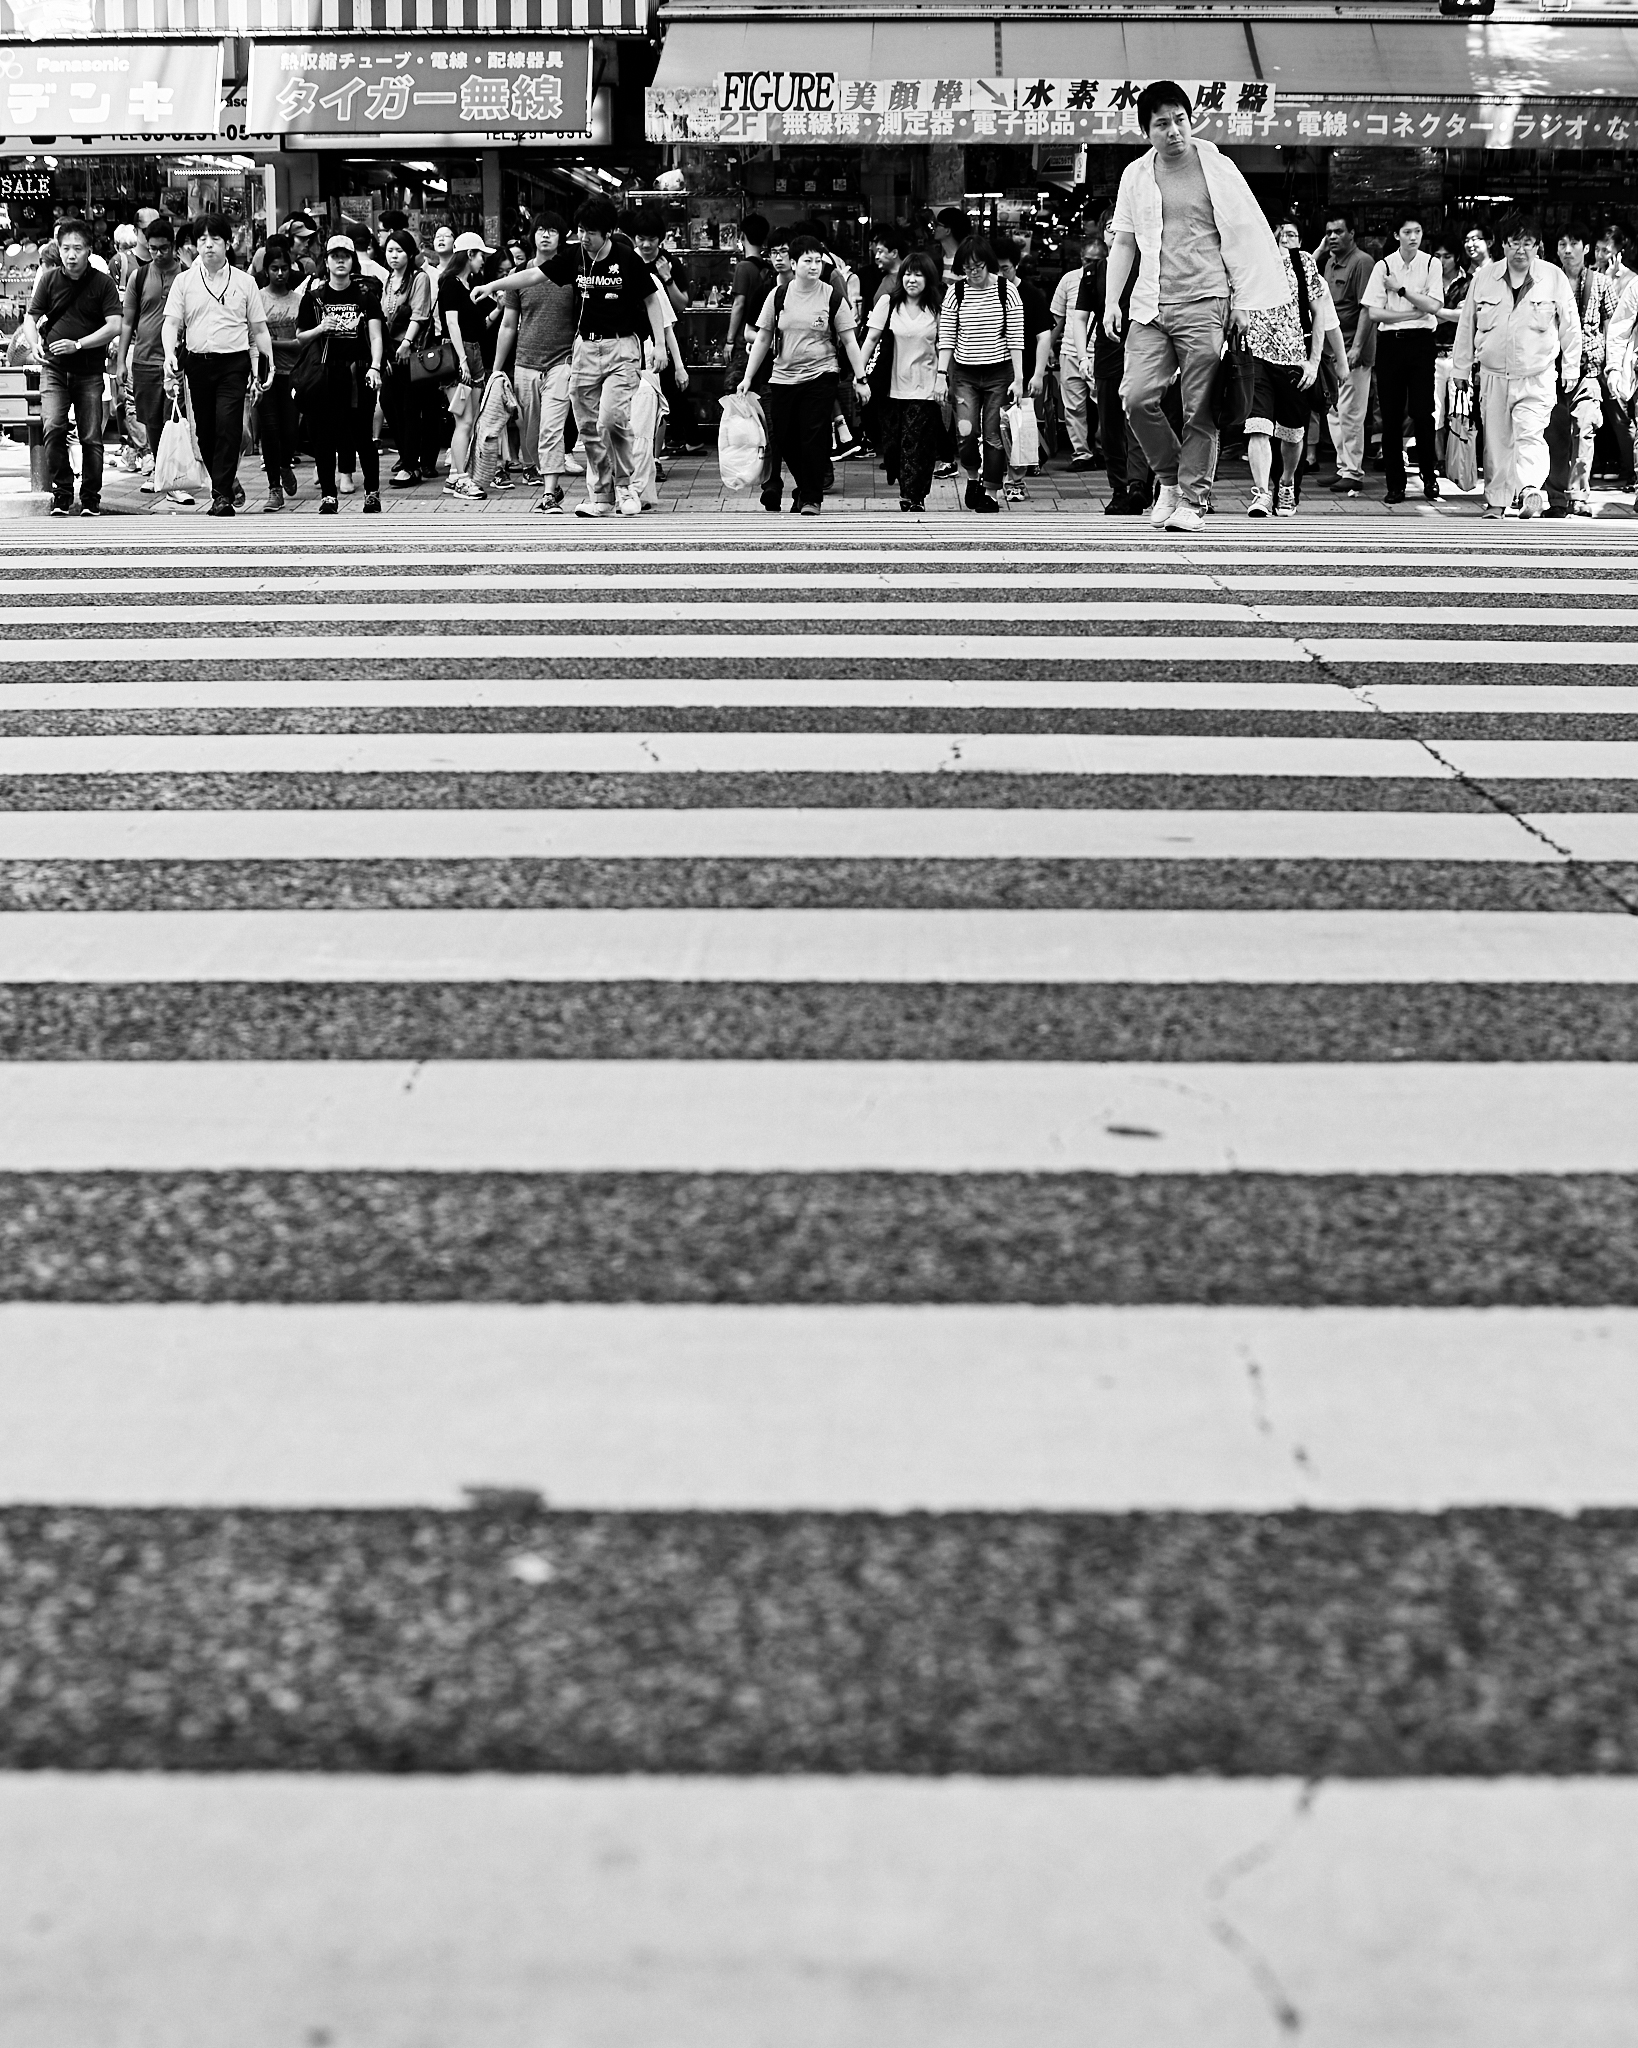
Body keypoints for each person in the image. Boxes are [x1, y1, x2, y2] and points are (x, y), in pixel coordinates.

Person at [1104, 80, 1289, 533]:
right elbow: (1124, 241)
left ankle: (1193, 498)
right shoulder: (1136, 175)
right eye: (1161, 124)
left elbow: (1243, 236)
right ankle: (1169, 480)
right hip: (1150, 304)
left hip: (1206, 300)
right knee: (1136, 397)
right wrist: (1112, 299)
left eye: (1180, 120)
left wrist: (1242, 302)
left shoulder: (1218, 168)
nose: (1174, 131)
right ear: (1147, 130)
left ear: (1192, 119)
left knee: (1198, 407)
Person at [1452, 209, 1581, 522]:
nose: (1521, 250)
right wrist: (1460, 368)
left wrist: (1572, 368)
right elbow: (1467, 325)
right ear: (1503, 245)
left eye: (1528, 243)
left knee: (1530, 435)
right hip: (1494, 375)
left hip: (1537, 376)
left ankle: (1528, 491)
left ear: (1537, 246)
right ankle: (1497, 504)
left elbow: (1570, 326)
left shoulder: (1553, 277)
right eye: (1514, 243)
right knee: (1496, 445)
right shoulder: (1484, 278)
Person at [738, 232, 871, 516]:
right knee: (784, 438)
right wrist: (748, 378)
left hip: (821, 375)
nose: (813, 266)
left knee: (813, 435)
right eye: (807, 260)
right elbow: (762, 338)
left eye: (818, 261)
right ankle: (805, 485)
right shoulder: (779, 295)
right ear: (794, 263)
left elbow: (849, 340)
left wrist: (860, 378)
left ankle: (812, 497)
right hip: (783, 377)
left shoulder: (832, 296)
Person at [161, 213, 272, 517]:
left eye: (215, 240)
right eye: (201, 240)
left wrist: (267, 365)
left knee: (228, 426)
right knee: (206, 433)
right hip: (198, 363)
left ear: (227, 243)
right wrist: (169, 353)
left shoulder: (245, 282)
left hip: (233, 363)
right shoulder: (184, 282)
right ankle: (227, 480)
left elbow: (259, 329)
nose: (208, 246)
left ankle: (220, 495)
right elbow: (171, 324)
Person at [30, 216, 123, 517]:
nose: (71, 255)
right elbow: (31, 319)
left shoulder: (102, 283)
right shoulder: (49, 280)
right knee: (53, 427)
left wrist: (79, 344)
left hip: (89, 370)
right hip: (54, 369)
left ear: (89, 250)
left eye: (78, 249)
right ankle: (63, 491)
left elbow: (115, 325)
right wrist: (33, 344)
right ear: (59, 249)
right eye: (66, 248)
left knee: (91, 436)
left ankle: (91, 497)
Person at [484, 212, 575, 510]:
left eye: (552, 230)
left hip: (562, 361)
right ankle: (540, 473)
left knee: (551, 427)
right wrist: (497, 371)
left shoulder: (571, 273)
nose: (545, 235)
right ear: (533, 235)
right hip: (525, 364)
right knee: (531, 431)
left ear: (562, 237)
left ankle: (550, 491)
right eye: (540, 230)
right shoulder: (520, 275)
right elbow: (509, 325)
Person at [295, 233, 385, 514]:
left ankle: (372, 492)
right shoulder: (314, 298)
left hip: (358, 371)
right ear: (327, 262)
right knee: (323, 436)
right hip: (324, 374)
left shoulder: (365, 296)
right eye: (335, 257)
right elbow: (300, 337)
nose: (340, 261)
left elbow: (376, 335)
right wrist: (322, 328)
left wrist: (375, 366)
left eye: (345, 256)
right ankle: (328, 495)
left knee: (362, 435)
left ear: (353, 261)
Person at [1243, 222, 1327, 519]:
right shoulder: (1246, 259)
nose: (1280, 237)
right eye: (1276, 230)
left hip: (1294, 359)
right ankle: (1262, 493)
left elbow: (1320, 315)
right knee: (1257, 425)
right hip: (1255, 354)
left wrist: (1314, 362)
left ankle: (1287, 482)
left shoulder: (1303, 262)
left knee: (1292, 432)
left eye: (1288, 232)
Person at [934, 237, 1023, 514]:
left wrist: (1019, 378)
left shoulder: (1005, 291)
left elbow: (1016, 337)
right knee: (966, 432)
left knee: (994, 434)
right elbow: (946, 335)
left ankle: (991, 492)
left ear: (989, 265)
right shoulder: (955, 292)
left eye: (978, 267)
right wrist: (940, 374)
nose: (973, 273)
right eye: (967, 268)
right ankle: (973, 477)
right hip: (965, 373)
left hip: (999, 371)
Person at [1359, 212, 1443, 504]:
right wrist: (1410, 311)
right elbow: (1374, 313)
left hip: (1421, 343)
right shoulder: (1383, 266)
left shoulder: (1431, 263)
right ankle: (1395, 484)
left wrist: (1400, 290)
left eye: (1417, 231)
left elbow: (1433, 305)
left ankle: (1429, 476)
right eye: (1407, 231)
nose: (1413, 237)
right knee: (1391, 417)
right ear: (1396, 235)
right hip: (1391, 344)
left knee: (1423, 412)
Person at [1077, 214, 1151, 514]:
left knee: (1140, 417)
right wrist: (1083, 357)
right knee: (1110, 426)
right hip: (1107, 355)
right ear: (1105, 236)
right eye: (1110, 227)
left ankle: (1140, 484)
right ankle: (1119, 488)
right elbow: (1080, 318)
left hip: (1146, 353)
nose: (1115, 232)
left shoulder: (1149, 267)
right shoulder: (1094, 272)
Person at [860, 250, 942, 510]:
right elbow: (870, 340)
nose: (912, 279)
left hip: (924, 387)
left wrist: (944, 379)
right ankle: (904, 479)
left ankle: (913, 496)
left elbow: (944, 346)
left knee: (915, 443)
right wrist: (859, 375)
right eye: (908, 273)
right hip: (890, 387)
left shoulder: (937, 308)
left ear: (928, 278)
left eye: (918, 274)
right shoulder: (888, 303)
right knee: (894, 445)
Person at [119, 210, 185, 501]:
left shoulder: (186, 274)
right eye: (153, 248)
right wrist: (121, 360)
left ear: (173, 246)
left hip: (176, 360)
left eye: (164, 248)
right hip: (144, 358)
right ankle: (162, 472)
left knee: (175, 419)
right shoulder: (139, 275)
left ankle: (175, 475)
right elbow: (127, 321)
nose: (158, 254)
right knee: (152, 421)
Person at [1545, 223, 1607, 517]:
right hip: (1552, 370)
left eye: (1573, 244)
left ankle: (1579, 496)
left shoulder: (1601, 283)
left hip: (1588, 372)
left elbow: (1614, 325)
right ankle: (1556, 499)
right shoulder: (1546, 282)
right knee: (1554, 437)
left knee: (1585, 429)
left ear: (1586, 248)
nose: (1567, 250)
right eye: (1561, 244)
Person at [631, 211, 700, 453]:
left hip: (665, 334)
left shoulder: (668, 263)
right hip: (632, 340)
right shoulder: (629, 261)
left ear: (661, 239)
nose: (646, 244)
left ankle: (669, 445)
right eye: (641, 238)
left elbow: (681, 304)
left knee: (668, 390)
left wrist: (667, 278)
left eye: (652, 239)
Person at [375, 227, 437, 490]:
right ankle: (407, 456)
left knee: (410, 409)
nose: (394, 255)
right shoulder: (388, 279)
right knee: (389, 402)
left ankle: (411, 467)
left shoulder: (418, 278)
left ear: (410, 253)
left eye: (399, 251)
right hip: (391, 353)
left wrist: (407, 343)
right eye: (390, 250)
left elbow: (419, 314)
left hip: (411, 353)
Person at [1317, 210, 1374, 493]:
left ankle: (1354, 471)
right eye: (1328, 232)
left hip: (1353, 350)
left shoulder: (1363, 262)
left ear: (1352, 233)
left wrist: (1356, 348)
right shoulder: (1329, 263)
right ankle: (1343, 467)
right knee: (1335, 412)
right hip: (1331, 351)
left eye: (1338, 232)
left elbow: (1367, 309)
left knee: (1351, 413)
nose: (1332, 237)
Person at [436, 229, 492, 503]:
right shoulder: (450, 284)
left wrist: (499, 308)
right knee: (464, 420)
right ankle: (460, 478)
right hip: (459, 354)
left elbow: (477, 327)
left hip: (472, 353)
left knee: (468, 420)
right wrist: (461, 360)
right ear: (469, 255)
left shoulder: (468, 286)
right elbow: (452, 323)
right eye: (480, 255)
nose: (483, 260)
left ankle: (455, 476)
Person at [994, 236, 1051, 501]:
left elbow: (1044, 336)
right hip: (992, 369)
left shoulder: (1030, 295)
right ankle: (994, 475)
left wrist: (1038, 374)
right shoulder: (984, 293)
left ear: (1016, 266)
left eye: (1005, 269)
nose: (999, 274)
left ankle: (1015, 480)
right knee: (994, 426)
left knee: (1019, 427)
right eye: (994, 268)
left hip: (1024, 372)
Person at [254, 234, 308, 510]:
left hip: (292, 373)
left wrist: (271, 341)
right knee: (269, 430)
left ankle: (286, 465)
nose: (279, 273)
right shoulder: (257, 299)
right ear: (266, 270)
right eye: (274, 268)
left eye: (284, 268)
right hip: (264, 373)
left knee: (290, 432)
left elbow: (302, 341)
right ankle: (274, 487)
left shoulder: (299, 301)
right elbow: (251, 337)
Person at [1595, 222, 1637, 489]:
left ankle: (1629, 469)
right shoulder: (1590, 276)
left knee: (1621, 417)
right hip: (1597, 354)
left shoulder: (1630, 280)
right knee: (1595, 418)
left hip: (1617, 357)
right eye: (1598, 249)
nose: (1601, 255)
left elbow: (1618, 322)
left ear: (1621, 250)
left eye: (1606, 250)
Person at [1048, 241, 1094, 468]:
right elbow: (1057, 317)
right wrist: (1049, 346)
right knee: (1073, 406)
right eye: (1087, 260)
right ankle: (1082, 453)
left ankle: (1105, 449)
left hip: (1101, 353)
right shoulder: (1069, 279)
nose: (1090, 265)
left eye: (1096, 261)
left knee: (1107, 406)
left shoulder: (1113, 277)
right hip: (1070, 350)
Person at [725, 213, 775, 394]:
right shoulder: (769, 267)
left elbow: (738, 304)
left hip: (743, 340)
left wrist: (729, 340)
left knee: (735, 392)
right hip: (761, 338)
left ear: (742, 236)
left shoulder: (743, 267)